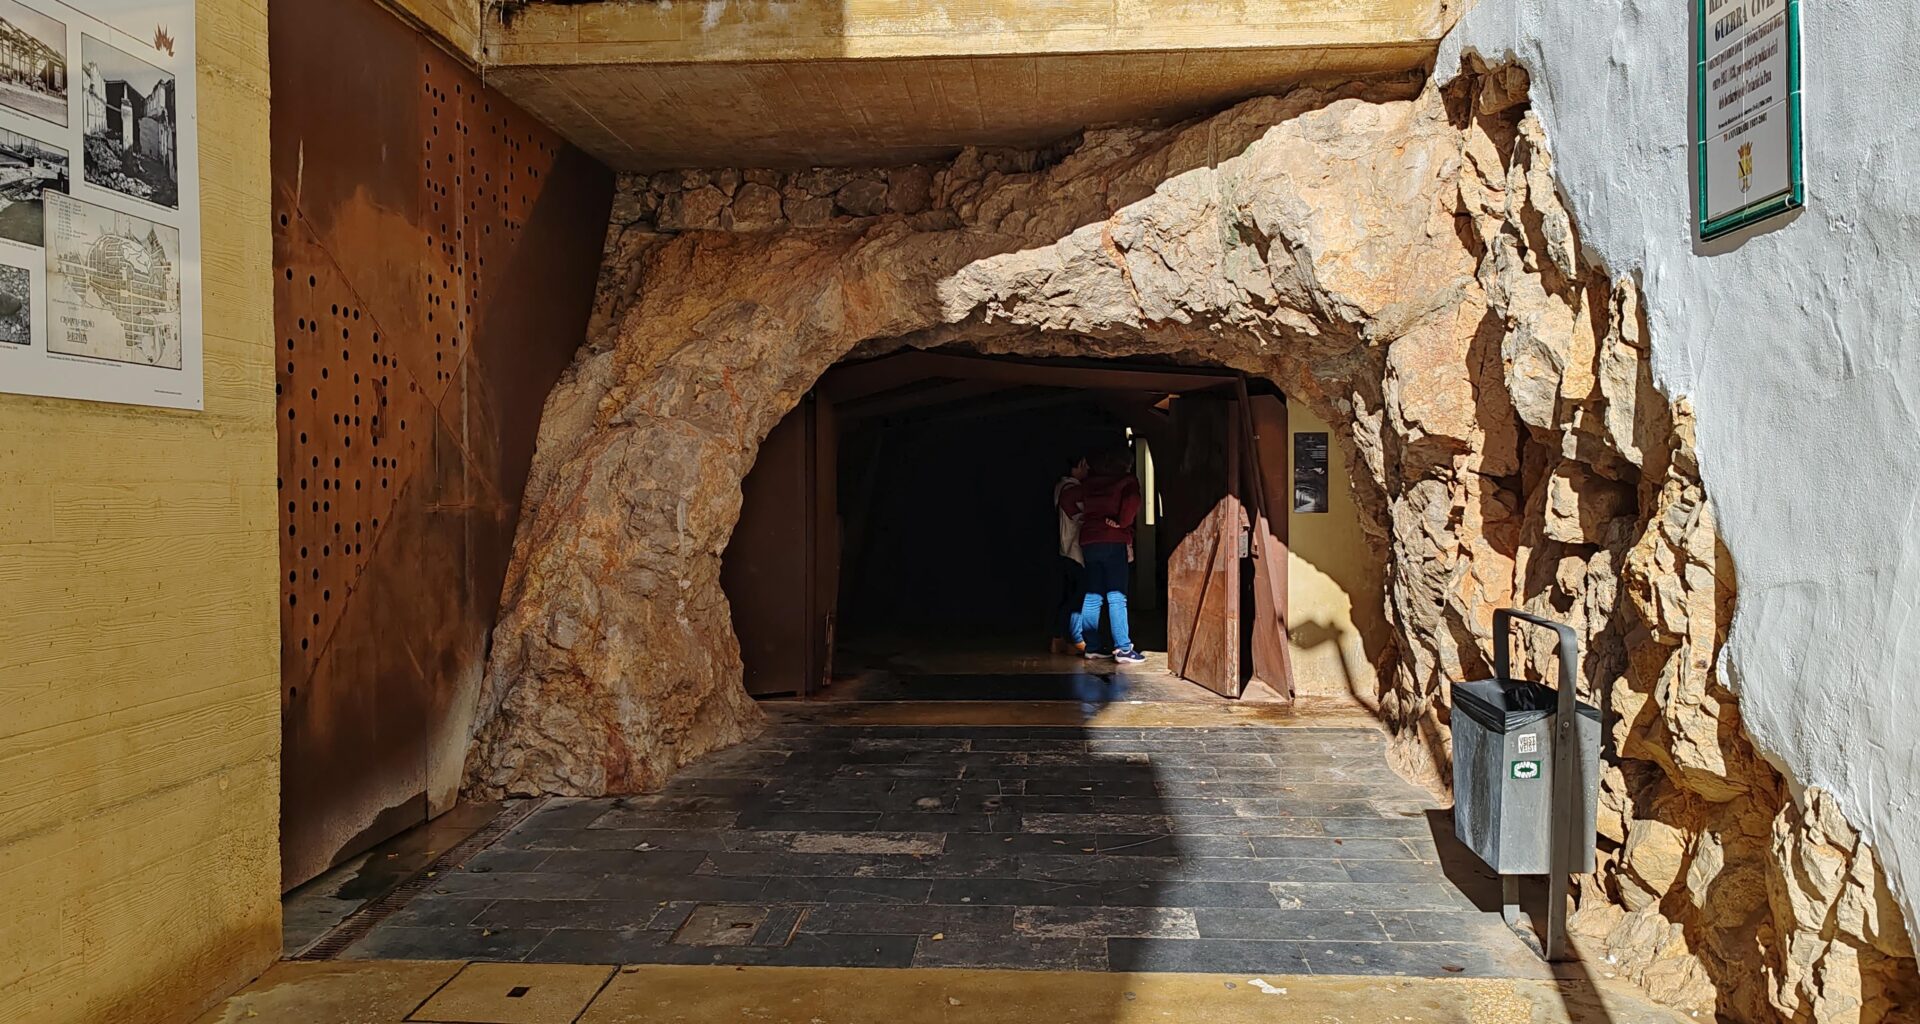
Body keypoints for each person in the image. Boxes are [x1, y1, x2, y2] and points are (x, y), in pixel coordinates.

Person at [1058, 445, 1146, 664]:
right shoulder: (1127, 481)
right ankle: (1123, 648)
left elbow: (1067, 499)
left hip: (1089, 540)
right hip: (1113, 539)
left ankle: (1092, 647)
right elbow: (1132, 502)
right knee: (1117, 595)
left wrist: (1083, 518)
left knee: (1092, 595)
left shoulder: (1090, 483)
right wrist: (1121, 523)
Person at [1050, 455, 1090, 655]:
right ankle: (1075, 638)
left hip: (1064, 548)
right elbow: (1075, 511)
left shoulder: (1060, 487)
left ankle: (1058, 638)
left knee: (1068, 595)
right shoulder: (1072, 489)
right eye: (1084, 464)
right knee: (1078, 597)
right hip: (1074, 548)